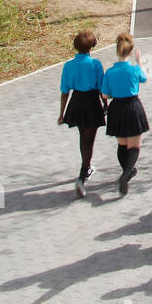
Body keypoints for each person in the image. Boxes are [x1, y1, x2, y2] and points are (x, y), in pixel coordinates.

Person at [59, 30, 107, 197]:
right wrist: (105, 104)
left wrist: (61, 113)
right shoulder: (95, 64)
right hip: (91, 102)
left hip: (76, 102)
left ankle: (86, 166)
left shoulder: (68, 65)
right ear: (91, 48)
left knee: (82, 138)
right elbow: (102, 87)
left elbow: (65, 91)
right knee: (90, 140)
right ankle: (82, 174)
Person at [104, 32, 149, 195]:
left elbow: (105, 94)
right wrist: (139, 63)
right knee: (135, 146)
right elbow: (144, 78)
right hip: (132, 106)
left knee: (122, 144)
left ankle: (126, 171)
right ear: (130, 51)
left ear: (117, 50)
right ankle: (126, 174)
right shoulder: (134, 69)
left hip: (116, 108)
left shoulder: (110, 72)